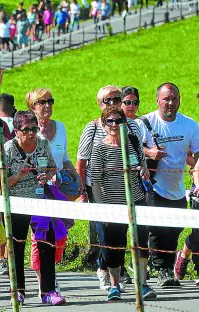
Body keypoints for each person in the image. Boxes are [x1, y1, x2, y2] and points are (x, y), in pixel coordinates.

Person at [76, 85, 141, 290]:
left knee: (122, 233)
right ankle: (104, 270)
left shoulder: (132, 127)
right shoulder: (93, 127)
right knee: (105, 233)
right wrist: (82, 193)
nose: (112, 103)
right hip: (100, 190)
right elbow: (81, 162)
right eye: (107, 100)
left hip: (127, 191)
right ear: (99, 104)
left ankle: (118, 270)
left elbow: (139, 154)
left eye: (116, 99)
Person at [90, 105, 157, 300]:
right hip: (113, 205)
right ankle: (114, 285)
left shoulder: (133, 142)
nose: (114, 125)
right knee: (114, 245)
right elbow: (95, 180)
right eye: (109, 121)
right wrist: (103, 209)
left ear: (124, 123)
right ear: (104, 124)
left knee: (140, 242)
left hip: (137, 201)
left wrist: (143, 171)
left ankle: (142, 284)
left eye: (118, 121)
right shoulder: (100, 148)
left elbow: (143, 167)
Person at [136, 83, 199, 287]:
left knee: (174, 228)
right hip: (152, 185)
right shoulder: (144, 123)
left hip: (177, 188)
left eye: (174, 99)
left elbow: (197, 155)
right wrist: (150, 153)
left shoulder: (189, 125)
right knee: (158, 227)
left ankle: (164, 265)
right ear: (157, 100)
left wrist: (197, 179)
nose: (171, 103)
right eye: (166, 99)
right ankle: (162, 269)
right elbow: (130, 148)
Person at [5, 110, 66, 305]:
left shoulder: (42, 144)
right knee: (17, 245)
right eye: (26, 130)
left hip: (40, 201)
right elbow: (1, 183)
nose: (31, 133)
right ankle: (18, 290)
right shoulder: (7, 149)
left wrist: (48, 176)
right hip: (17, 203)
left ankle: (48, 291)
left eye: (34, 128)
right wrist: (19, 176)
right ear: (16, 131)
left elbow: (52, 167)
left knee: (46, 245)